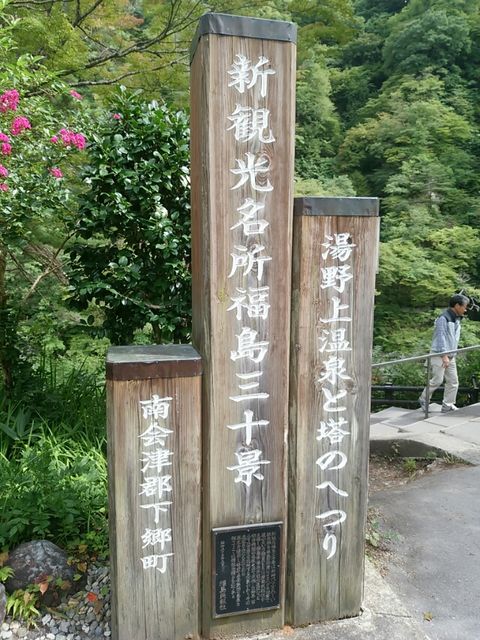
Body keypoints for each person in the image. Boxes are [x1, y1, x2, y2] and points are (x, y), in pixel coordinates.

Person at [419, 293, 469, 413]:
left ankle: (448, 404)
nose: (465, 309)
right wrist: (444, 356)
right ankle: (424, 399)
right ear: (457, 305)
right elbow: (440, 338)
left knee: (453, 381)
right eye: (464, 306)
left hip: (451, 355)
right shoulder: (443, 318)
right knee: (437, 380)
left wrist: (451, 355)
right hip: (439, 355)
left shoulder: (457, 319)